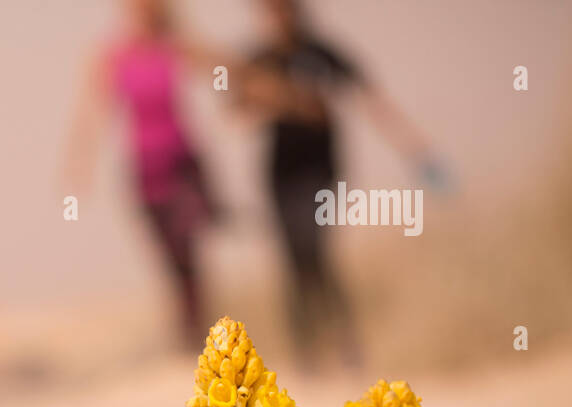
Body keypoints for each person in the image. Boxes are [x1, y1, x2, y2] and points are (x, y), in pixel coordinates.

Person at [237, 0, 439, 364]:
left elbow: (371, 99)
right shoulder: (258, 59)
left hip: (322, 173)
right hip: (280, 176)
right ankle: (307, 351)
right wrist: (275, 102)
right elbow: (236, 111)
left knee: (316, 248)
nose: (279, 17)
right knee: (293, 258)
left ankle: (346, 342)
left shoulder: (322, 53)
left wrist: (417, 150)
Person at [64, 0, 217, 350]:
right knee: (168, 255)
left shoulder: (175, 46)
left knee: (188, 248)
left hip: (183, 166)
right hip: (145, 173)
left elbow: (223, 67)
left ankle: (200, 335)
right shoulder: (112, 57)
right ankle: (187, 333)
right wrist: (78, 164)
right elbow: (91, 114)